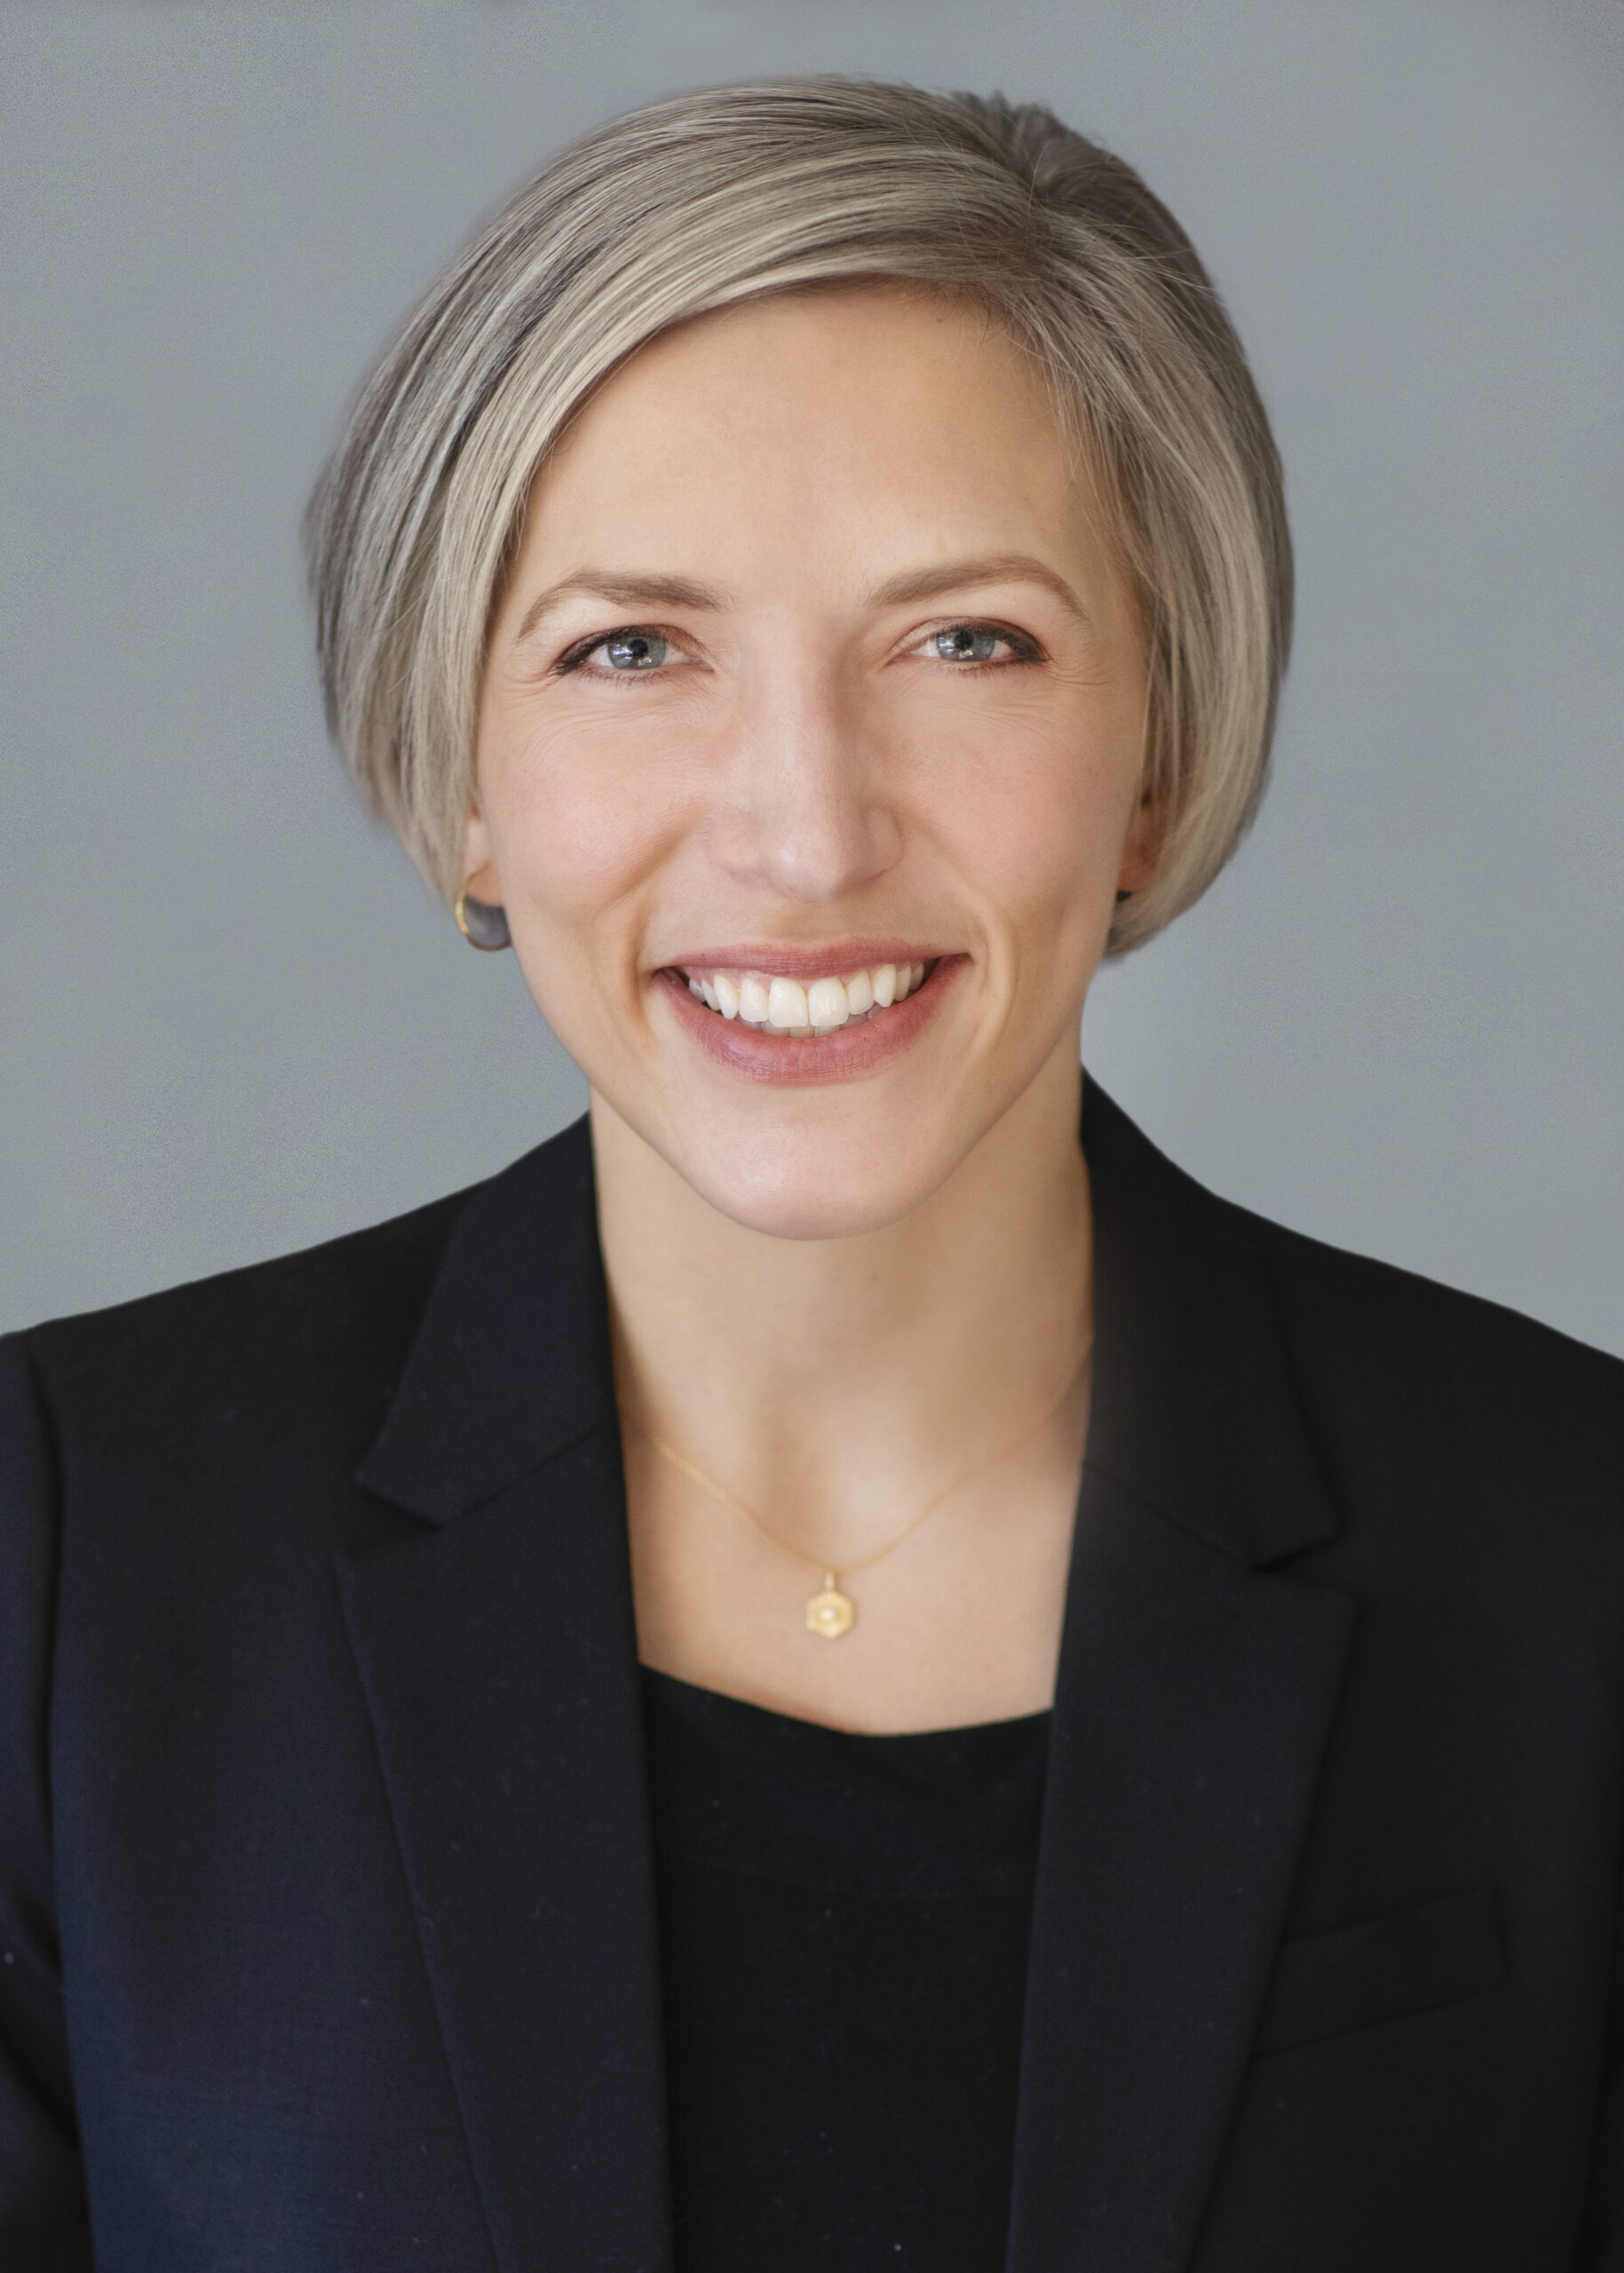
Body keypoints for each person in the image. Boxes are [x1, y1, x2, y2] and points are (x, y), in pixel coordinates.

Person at [2, 75, 1620, 2273]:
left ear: (1154, 752)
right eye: (630, 649)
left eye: (968, 641)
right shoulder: (66, 1555)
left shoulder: (1572, 1542)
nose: (804, 829)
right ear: (462, 778)